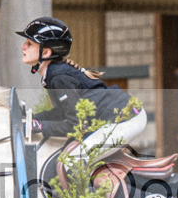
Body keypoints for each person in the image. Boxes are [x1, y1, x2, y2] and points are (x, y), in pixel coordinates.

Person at [17, 16, 146, 164]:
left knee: (73, 162)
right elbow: (63, 112)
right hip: (120, 117)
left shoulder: (58, 77)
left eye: (29, 43)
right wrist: (35, 118)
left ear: (46, 53)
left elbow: (76, 125)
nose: (23, 47)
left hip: (125, 119)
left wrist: (40, 126)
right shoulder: (54, 73)